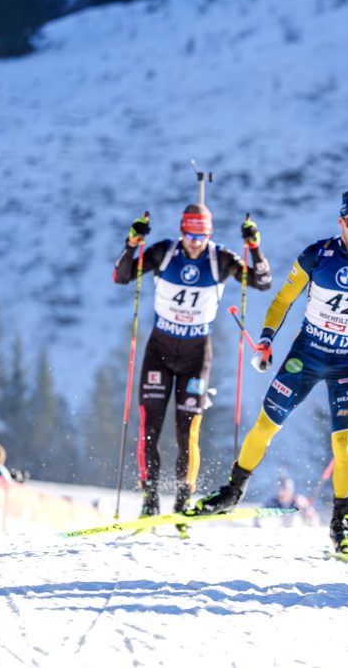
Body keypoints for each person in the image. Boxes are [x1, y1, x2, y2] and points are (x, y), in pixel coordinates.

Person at [192, 188, 348, 557]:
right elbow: (283, 299)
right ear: (340, 221)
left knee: (344, 443)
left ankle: (340, 524)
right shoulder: (317, 254)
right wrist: (266, 341)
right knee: (266, 424)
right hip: (307, 355)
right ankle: (233, 492)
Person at [113, 204, 271, 517]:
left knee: (188, 433)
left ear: (209, 234)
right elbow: (122, 276)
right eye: (190, 235)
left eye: (201, 236)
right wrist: (131, 244)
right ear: (181, 231)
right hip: (159, 352)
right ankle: (150, 499)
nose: (195, 242)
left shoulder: (220, 259)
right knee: (149, 428)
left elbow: (262, 281)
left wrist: (254, 247)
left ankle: (183, 499)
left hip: (196, 357)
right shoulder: (164, 253)